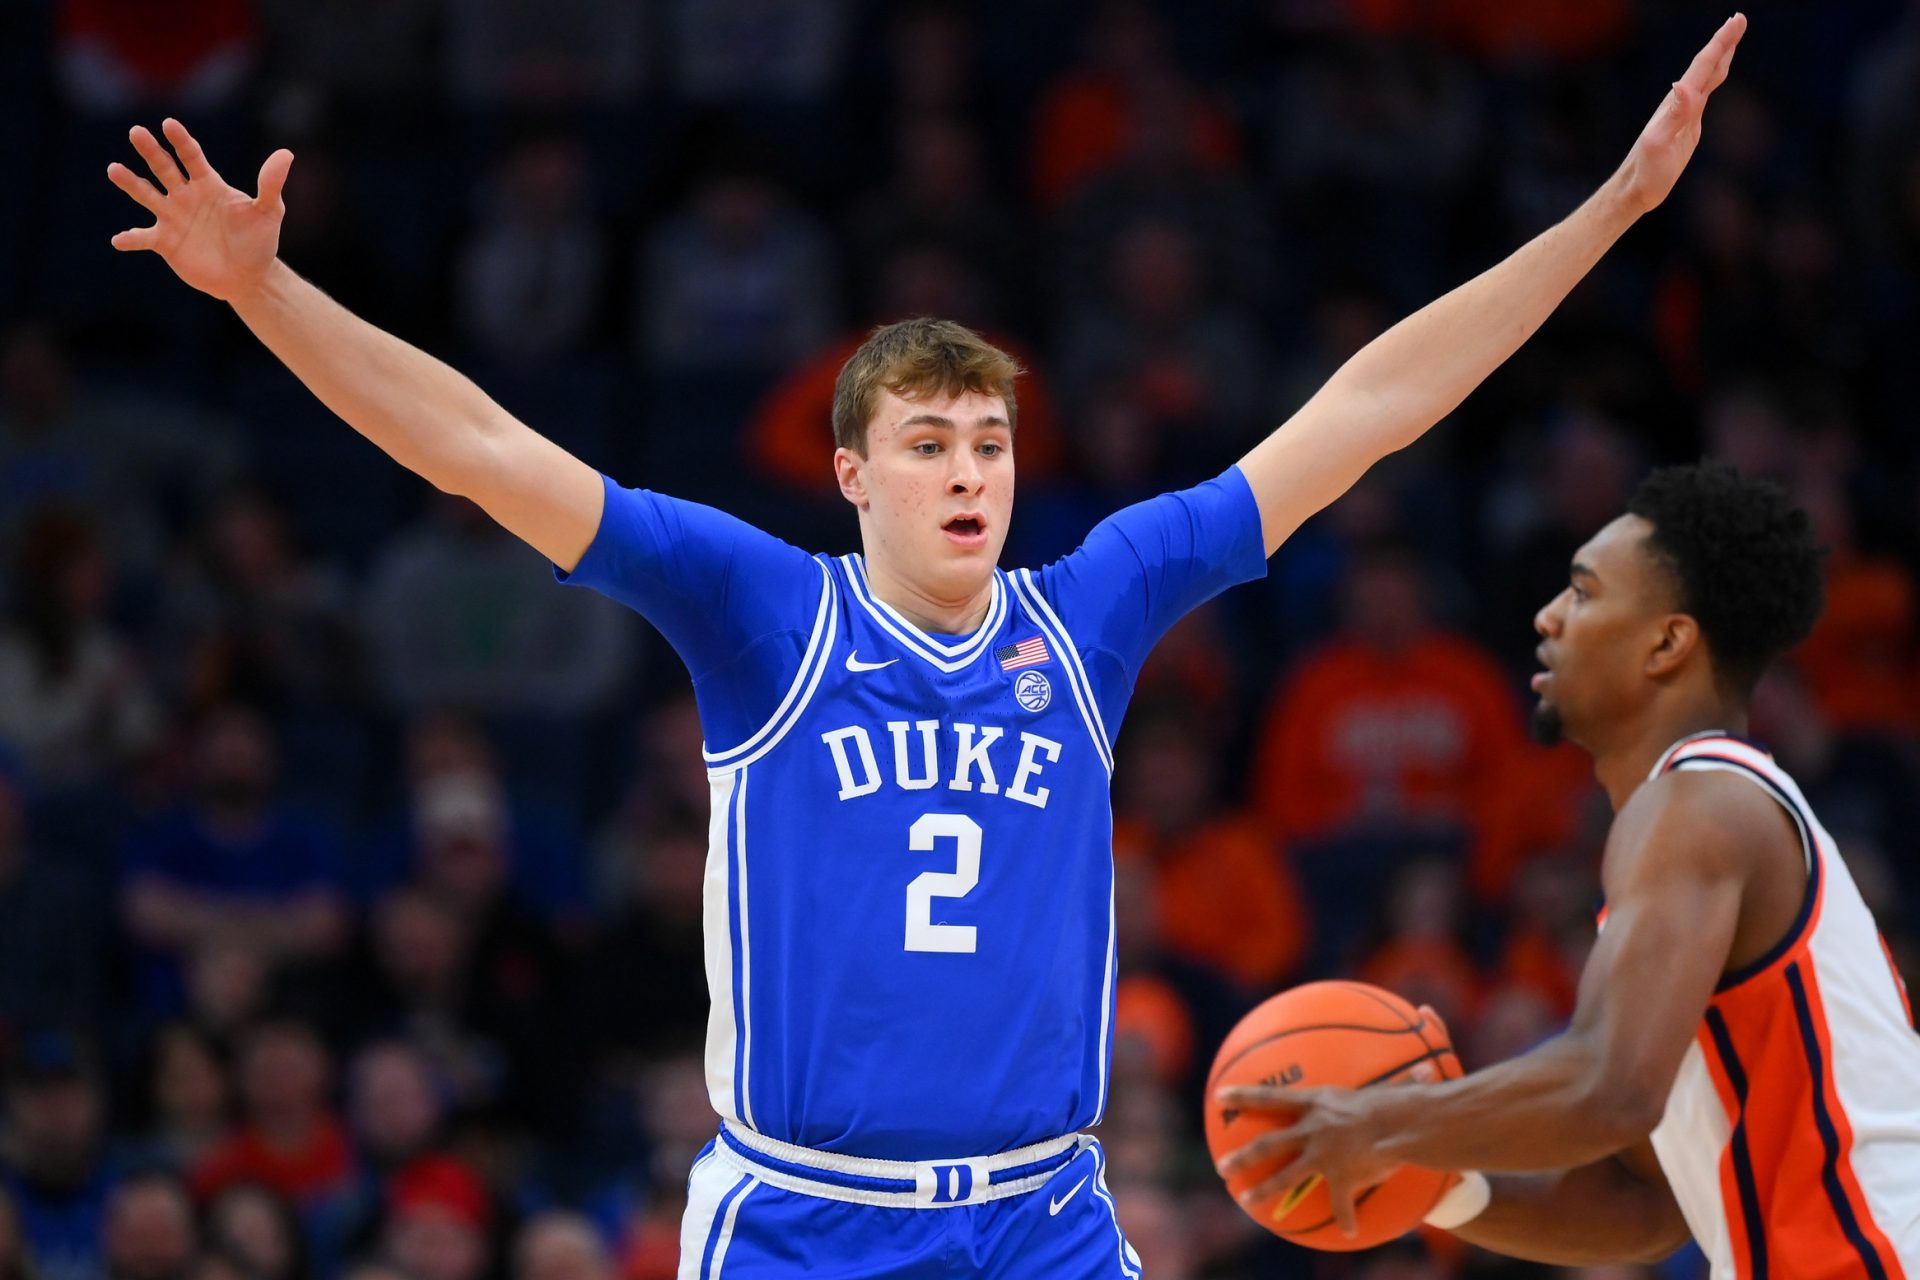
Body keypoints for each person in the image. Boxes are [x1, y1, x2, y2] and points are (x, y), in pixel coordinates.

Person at [105, 15, 1744, 1275]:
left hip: (1042, 1218)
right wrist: (267, 297)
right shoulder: (760, 608)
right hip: (802, 1222)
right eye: (931, 445)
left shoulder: (1091, 607)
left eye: (990, 444)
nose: (969, 475)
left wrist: (1609, 211)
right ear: (851, 471)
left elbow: (1370, 408)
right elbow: (477, 447)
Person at [1218, 463, 1920, 1271]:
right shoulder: (1703, 815)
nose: (1546, 616)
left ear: (1667, 643)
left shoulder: (1698, 806)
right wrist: (1427, 1184)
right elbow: (1645, 1207)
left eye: (1583, 593)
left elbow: (1608, 1087)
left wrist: (1379, 1124)